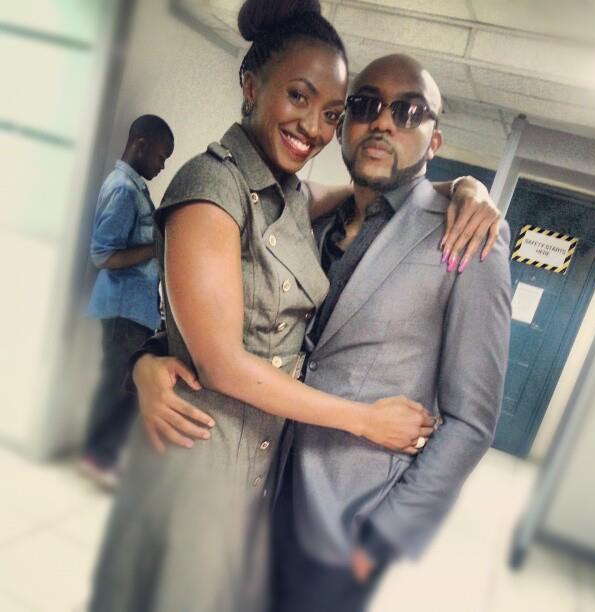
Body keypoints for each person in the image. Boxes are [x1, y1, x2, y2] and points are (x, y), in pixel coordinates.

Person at [132, 56, 510, 612]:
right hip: (253, 484)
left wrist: (382, 538)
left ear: (434, 140)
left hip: (346, 523)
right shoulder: (304, 218)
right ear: (345, 126)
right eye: (365, 105)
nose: (383, 122)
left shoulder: (466, 238)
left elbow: (471, 423)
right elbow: (237, 320)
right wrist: (145, 360)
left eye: (408, 112)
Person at [80, 114, 174, 489]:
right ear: (140, 144)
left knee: (127, 388)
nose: (162, 165)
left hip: (136, 311)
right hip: (123, 309)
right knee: (120, 387)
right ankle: (97, 457)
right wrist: (156, 247)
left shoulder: (135, 188)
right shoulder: (123, 189)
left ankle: (101, 456)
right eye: (161, 155)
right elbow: (102, 255)